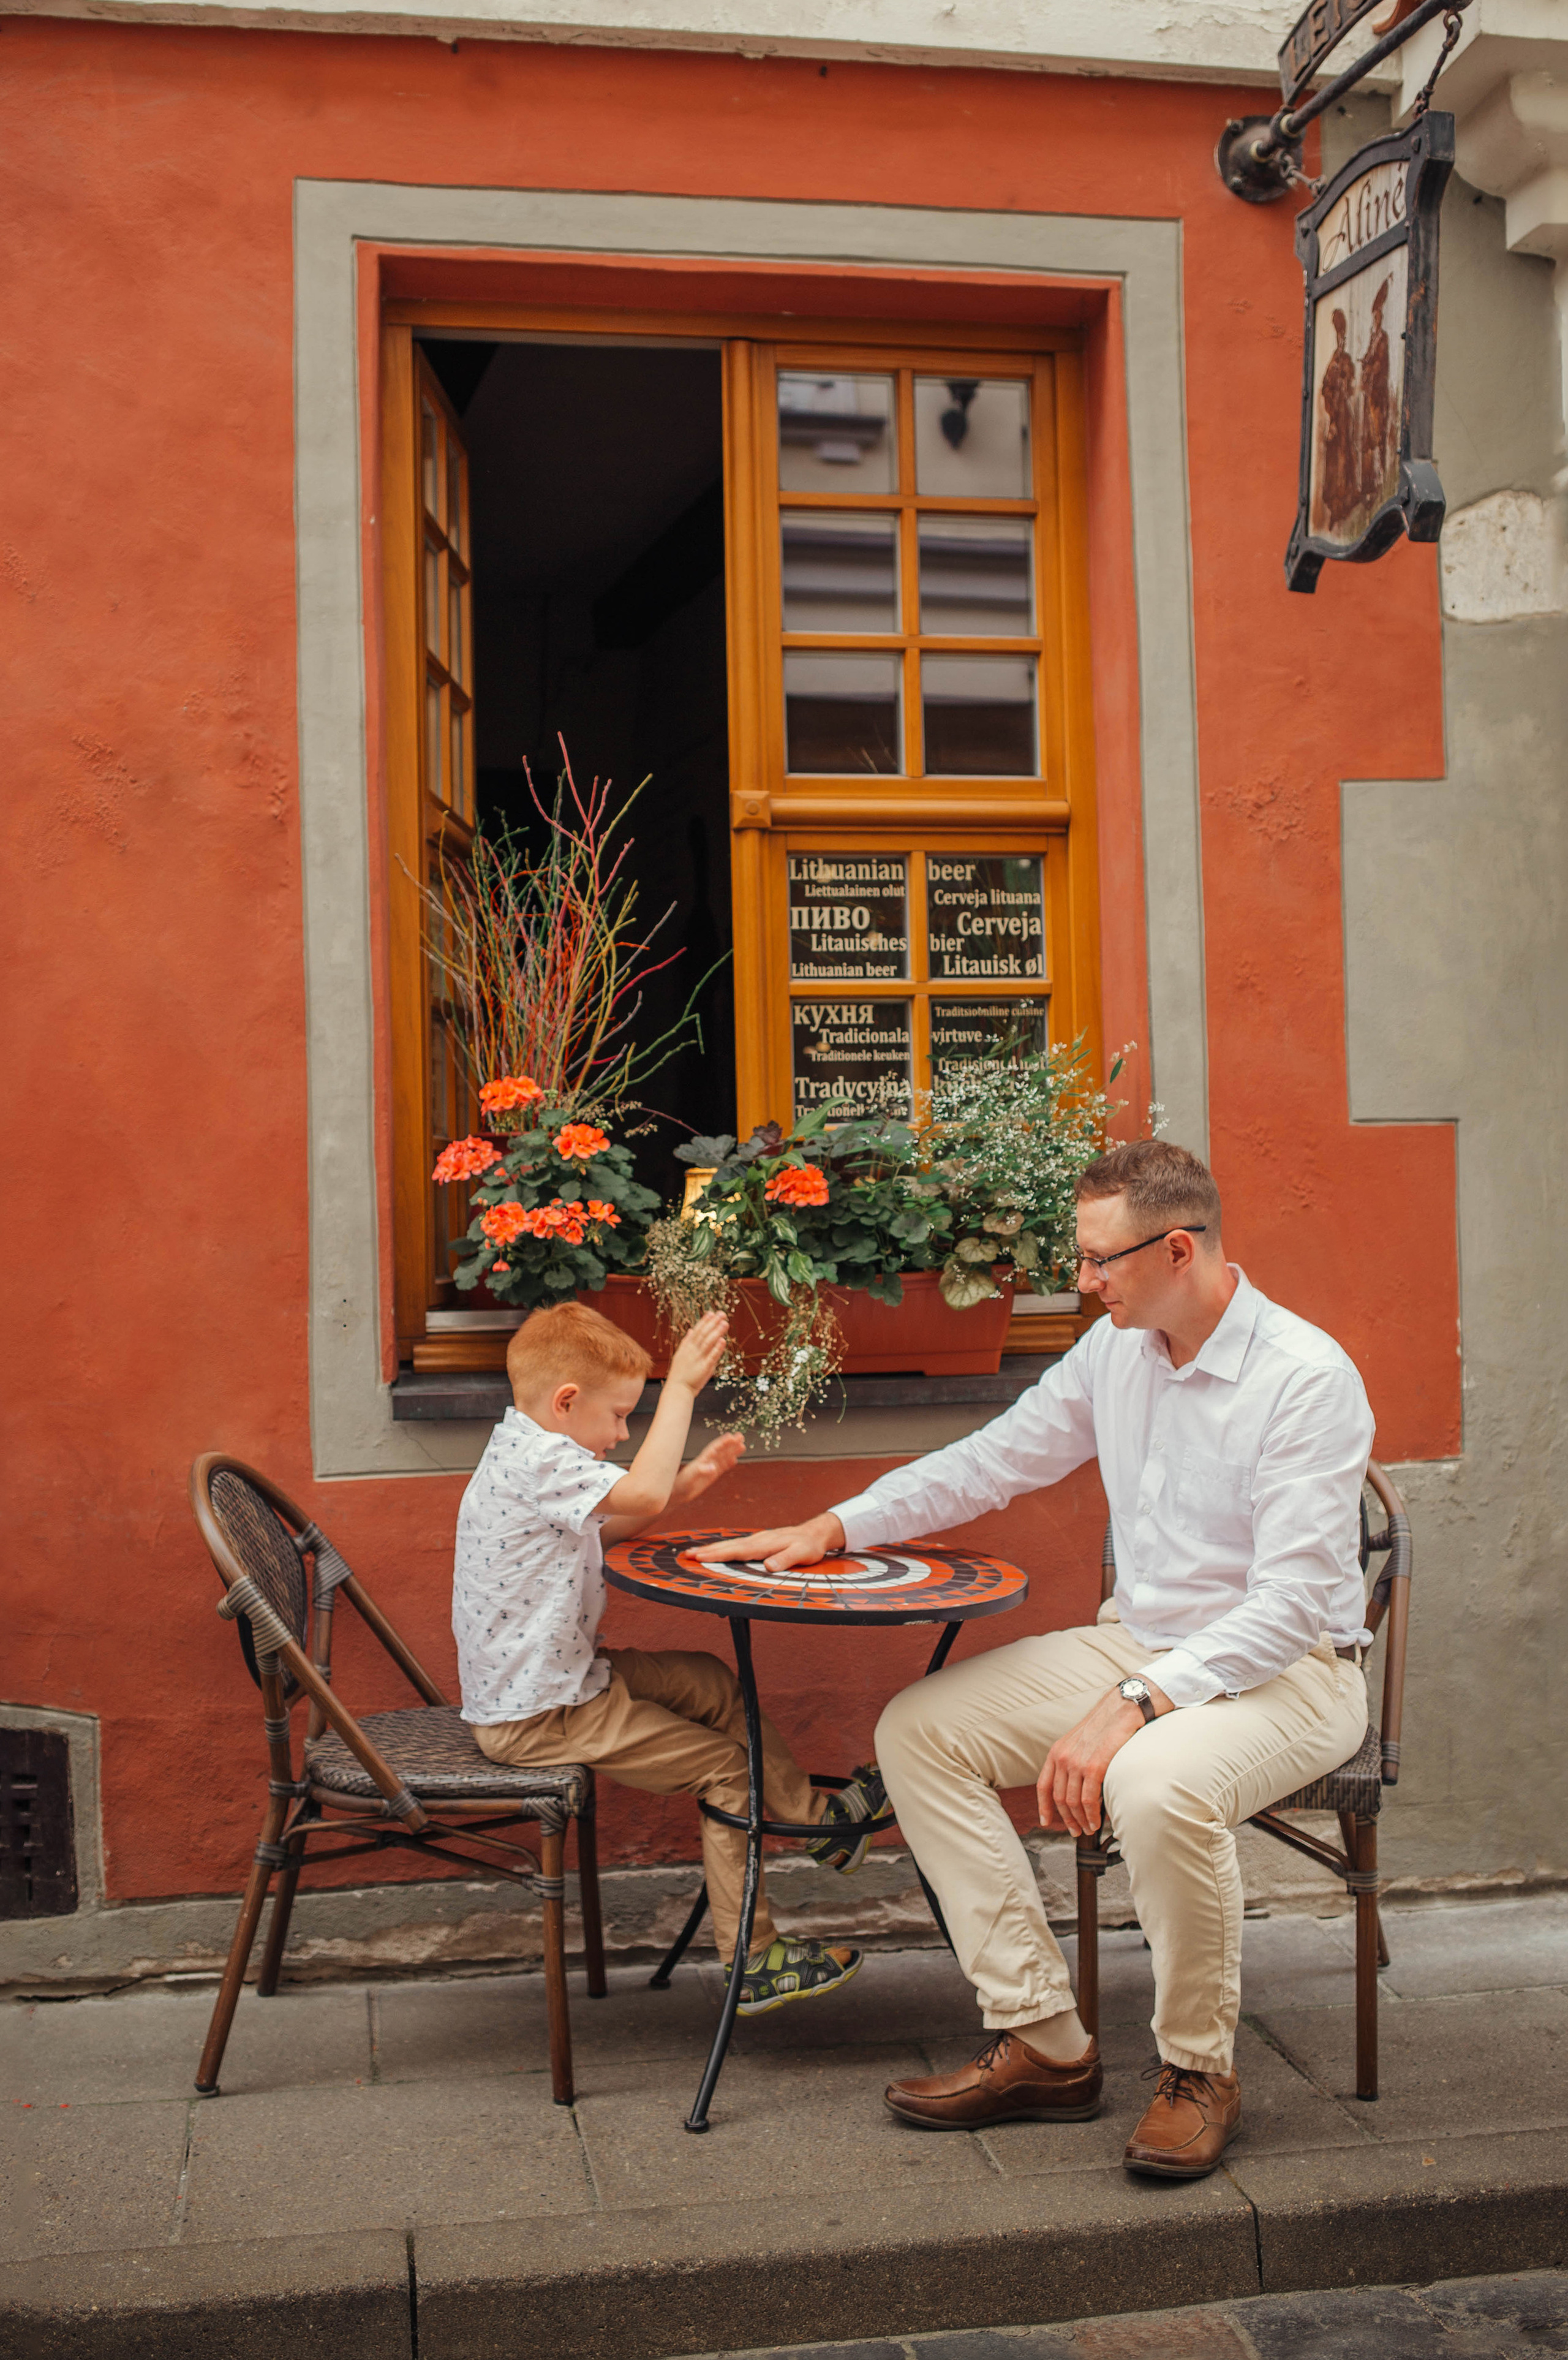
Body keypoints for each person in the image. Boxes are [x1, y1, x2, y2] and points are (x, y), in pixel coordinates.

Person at [698, 1141, 1373, 2171]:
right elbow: (997, 1459)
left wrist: (1133, 1704)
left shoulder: (1306, 1377)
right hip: (1142, 1641)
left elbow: (1285, 1608)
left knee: (1151, 1783)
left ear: (1178, 1248)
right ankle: (1046, 2041)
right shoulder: (1118, 1350)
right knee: (921, 1730)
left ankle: (1198, 2069)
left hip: (1291, 1673)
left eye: (1101, 1260)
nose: (1083, 1278)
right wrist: (838, 1526)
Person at [453, 1299, 884, 2016]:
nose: (624, 1433)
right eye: (620, 1416)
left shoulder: (525, 1449)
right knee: (725, 1772)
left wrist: (680, 1488)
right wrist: (680, 1390)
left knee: (712, 1681)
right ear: (566, 1403)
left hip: (558, 1684)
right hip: (542, 1715)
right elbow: (638, 1488)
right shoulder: (541, 1457)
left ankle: (822, 1827)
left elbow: (610, 1523)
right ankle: (752, 1960)